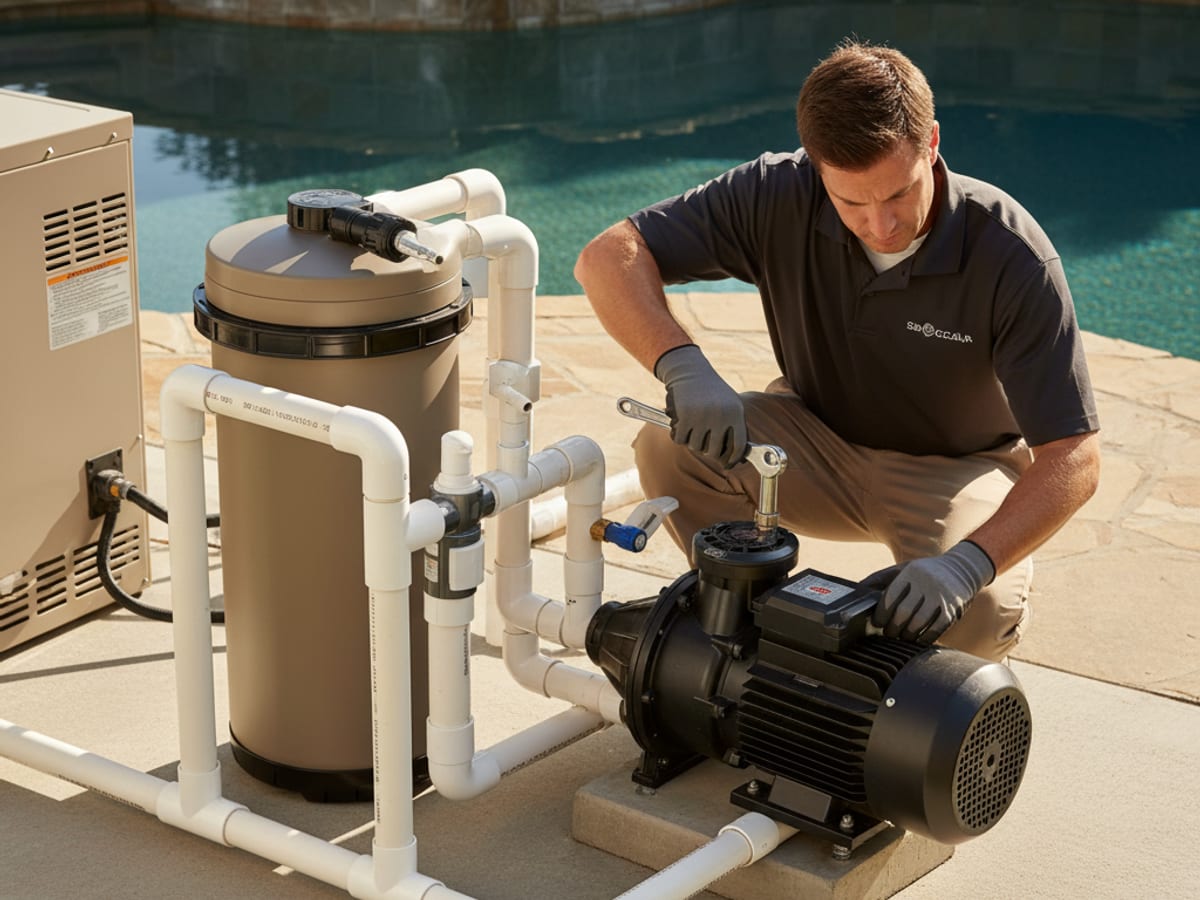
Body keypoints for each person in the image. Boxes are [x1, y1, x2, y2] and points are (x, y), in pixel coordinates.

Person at [573, 40, 1101, 662]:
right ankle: (749, 640)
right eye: (852, 201)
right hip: (811, 441)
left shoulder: (1013, 254)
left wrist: (967, 565)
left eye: (898, 193)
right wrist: (681, 365)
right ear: (817, 167)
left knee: (979, 614)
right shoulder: (775, 192)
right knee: (669, 449)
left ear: (932, 142)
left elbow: (1075, 457)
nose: (881, 225)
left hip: (955, 469)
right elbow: (608, 257)